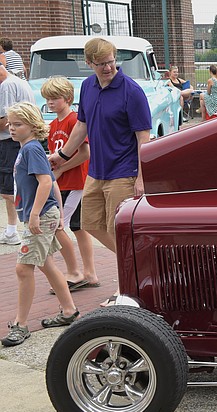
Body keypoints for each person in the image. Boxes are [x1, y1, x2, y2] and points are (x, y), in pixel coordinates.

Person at [48, 37, 151, 307]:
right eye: (102, 64)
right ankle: (141, 263)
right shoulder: (87, 86)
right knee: (90, 224)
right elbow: (81, 126)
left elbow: (143, 137)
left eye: (111, 62)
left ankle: (125, 290)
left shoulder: (131, 91)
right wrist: (61, 156)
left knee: (118, 231)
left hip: (124, 171)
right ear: (89, 63)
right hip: (96, 172)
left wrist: (142, 177)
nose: (108, 68)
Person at [1, 102, 80, 347]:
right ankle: (69, 310)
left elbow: (45, 182)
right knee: (45, 263)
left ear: (33, 125)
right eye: (10, 124)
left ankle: (21, 324)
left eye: (18, 124)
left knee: (23, 269)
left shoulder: (31, 149)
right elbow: (52, 182)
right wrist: (56, 213)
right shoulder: (29, 149)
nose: (11, 128)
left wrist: (36, 214)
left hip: (38, 217)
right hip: (43, 215)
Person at [41, 76, 99, 291]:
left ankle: (74, 272)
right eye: (47, 98)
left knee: (59, 227)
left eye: (54, 98)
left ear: (67, 98)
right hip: (63, 182)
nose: (50, 102)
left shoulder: (74, 120)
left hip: (76, 182)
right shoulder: (54, 123)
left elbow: (86, 153)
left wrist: (63, 168)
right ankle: (89, 273)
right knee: (78, 227)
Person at [0, 64, 35, 246]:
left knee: (9, 190)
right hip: (16, 142)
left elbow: (5, 121)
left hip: (9, 143)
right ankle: (14, 229)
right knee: (12, 188)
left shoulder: (6, 85)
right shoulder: (16, 81)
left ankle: (14, 230)